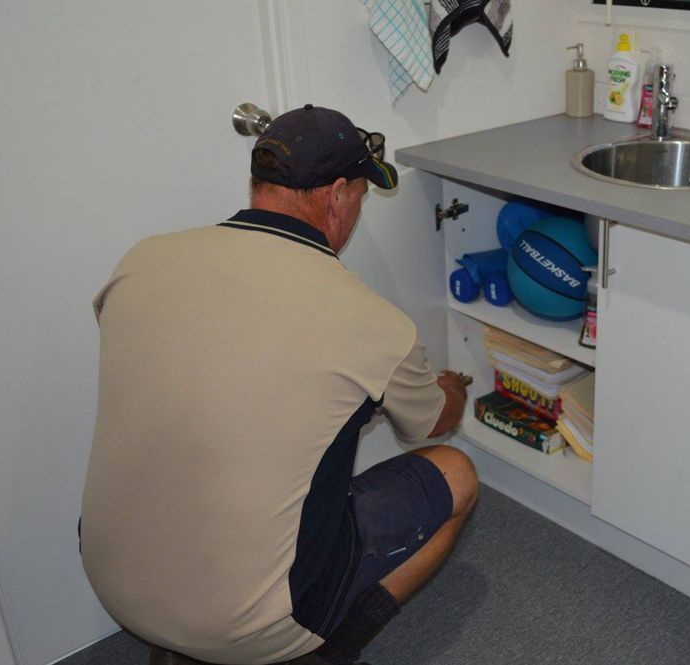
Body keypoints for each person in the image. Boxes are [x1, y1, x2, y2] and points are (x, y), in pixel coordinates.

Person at [80, 105, 478, 665]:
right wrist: (451, 386)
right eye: (363, 193)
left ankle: (185, 641)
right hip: (247, 622)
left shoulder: (143, 259)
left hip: (112, 576)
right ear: (337, 194)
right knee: (455, 474)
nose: (359, 208)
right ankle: (309, 650)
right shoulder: (369, 322)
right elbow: (430, 423)